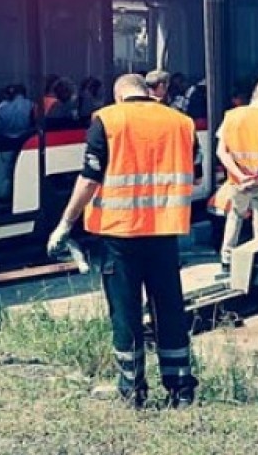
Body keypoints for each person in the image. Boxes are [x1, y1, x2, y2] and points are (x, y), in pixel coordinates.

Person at [46, 74, 199, 408]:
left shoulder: (108, 120)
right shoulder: (181, 123)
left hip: (120, 234)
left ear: (118, 95)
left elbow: (89, 180)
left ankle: (132, 391)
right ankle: (181, 389)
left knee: (126, 312)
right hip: (164, 231)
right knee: (169, 309)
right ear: (146, 91)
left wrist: (65, 222)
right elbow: (194, 171)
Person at [215, 79, 258, 274]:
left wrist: (240, 175)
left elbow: (221, 152)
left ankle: (227, 259)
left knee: (235, 216)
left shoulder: (232, 116)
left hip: (238, 181)